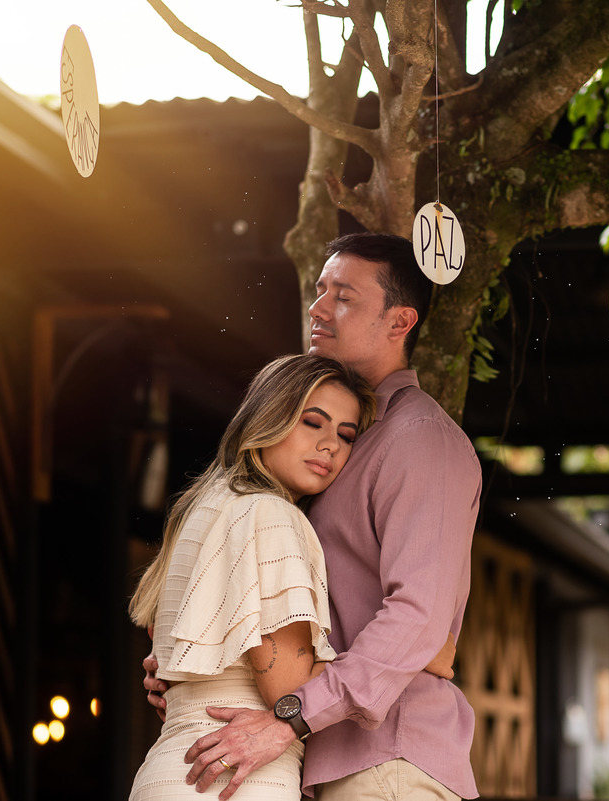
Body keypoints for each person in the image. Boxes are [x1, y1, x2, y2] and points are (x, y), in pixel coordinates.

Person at [143, 233, 482, 801]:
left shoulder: (420, 441)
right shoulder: (285, 486)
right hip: (323, 760)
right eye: (320, 291)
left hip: (387, 763)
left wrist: (290, 717)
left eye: (344, 296)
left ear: (400, 322)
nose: (318, 308)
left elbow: (419, 616)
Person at [127, 354, 375, 801]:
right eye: (312, 422)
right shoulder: (271, 514)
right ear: (269, 418)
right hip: (237, 777)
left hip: (172, 771)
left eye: (346, 434)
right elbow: (289, 689)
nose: (330, 445)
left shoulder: (204, 511)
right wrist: (405, 654)